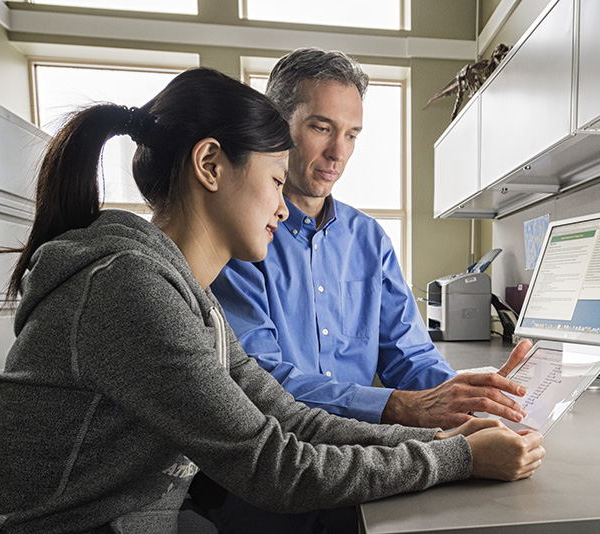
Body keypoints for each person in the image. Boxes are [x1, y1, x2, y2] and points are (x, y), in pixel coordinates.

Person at [0, 67, 544, 534]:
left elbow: (289, 417)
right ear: (210, 165)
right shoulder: (129, 289)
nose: (285, 206)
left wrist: (441, 439)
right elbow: (274, 467)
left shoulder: (186, 296)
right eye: (272, 181)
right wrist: (458, 459)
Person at [211, 47, 531, 430]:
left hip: (363, 450)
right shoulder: (240, 239)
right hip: (278, 453)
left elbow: (408, 355)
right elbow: (259, 381)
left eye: (352, 134)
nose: (338, 153)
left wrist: (469, 395)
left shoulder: (369, 239)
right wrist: (397, 406)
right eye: (321, 128)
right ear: (277, 124)